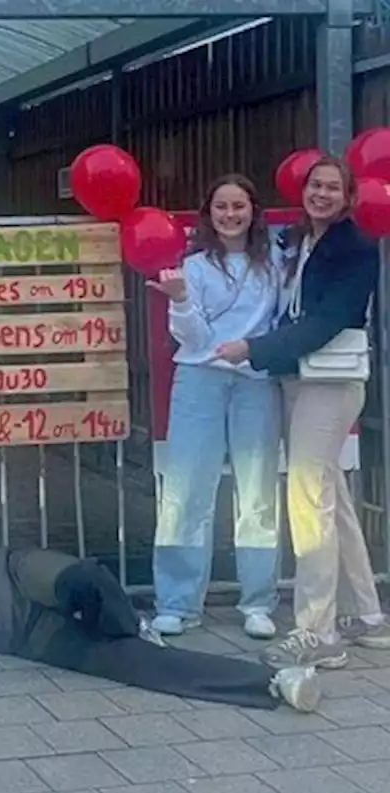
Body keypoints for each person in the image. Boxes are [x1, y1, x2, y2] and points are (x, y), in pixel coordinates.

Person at [0, 457, 321, 714]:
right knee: (136, 666)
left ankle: (128, 623)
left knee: (83, 579)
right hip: (15, 639)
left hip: (11, 576)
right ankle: (272, 686)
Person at [215, 155, 390, 669]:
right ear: (304, 189)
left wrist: (253, 348)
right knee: (329, 492)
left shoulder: (356, 247)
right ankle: (367, 615)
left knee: (307, 499)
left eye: (333, 188)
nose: (322, 194)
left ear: (348, 196)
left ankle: (318, 632)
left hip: (329, 383)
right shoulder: (297, 240)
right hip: (300, 378)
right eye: (316, 185)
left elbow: (328, 321)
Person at [148, 174, 283, 641]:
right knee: (186, 491)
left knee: (258, 491)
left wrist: (250, 348)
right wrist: (182, 300)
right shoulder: (195, 267)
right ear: (209, 213)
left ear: (253, 211)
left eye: (238, 206)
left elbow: (284, 323)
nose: (230, 215)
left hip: (256, 383)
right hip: (200, 380)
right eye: (221, 207)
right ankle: (177, 603)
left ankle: (259, 601)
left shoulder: (276, 264)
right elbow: (192, 338)